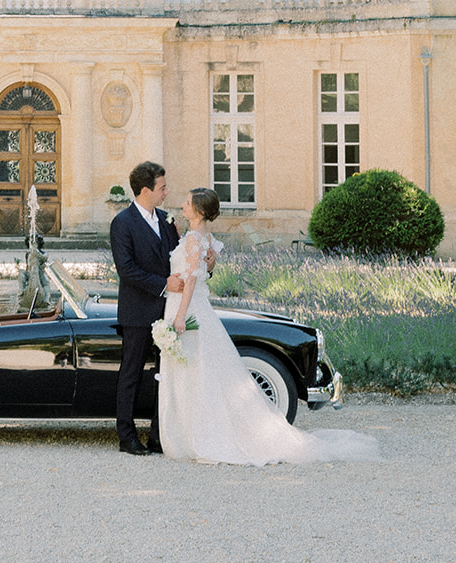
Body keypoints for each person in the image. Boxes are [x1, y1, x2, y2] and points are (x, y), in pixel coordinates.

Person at [158, 187, 381, 466]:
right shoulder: (204, 238)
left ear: (200, 211)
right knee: (201, 371)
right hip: (197, 308)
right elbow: (203, 272)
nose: (182, 204)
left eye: (188, 202)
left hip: (188, 308)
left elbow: (191, 280)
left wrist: (180, 315)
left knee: (196, 371)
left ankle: (201, 436)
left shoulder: (195, 239)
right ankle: (198, 433)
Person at [109, 160, 208, 455]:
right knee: (132, 374)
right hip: (138, 312)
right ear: (145, 191)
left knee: (164, 375)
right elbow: (126, 270)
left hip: (169, 311)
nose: (167, 193)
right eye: (162, 188)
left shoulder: (166, 220)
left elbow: (182, 258)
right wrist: (164, 284)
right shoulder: (122, 223)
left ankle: (158, 434)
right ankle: (126, 436)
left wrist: (204, 264)